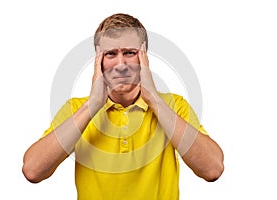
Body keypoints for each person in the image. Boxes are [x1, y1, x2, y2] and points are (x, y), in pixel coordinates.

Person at [22, 13, 224, 199]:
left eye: (129, 52)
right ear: (98, 60)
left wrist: (153, 98)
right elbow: (32, 171)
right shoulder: (76, 109)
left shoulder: (173, 105)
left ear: (144, 56)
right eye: (111, 54)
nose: (121, 64)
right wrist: (92, 105)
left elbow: (212, 169)